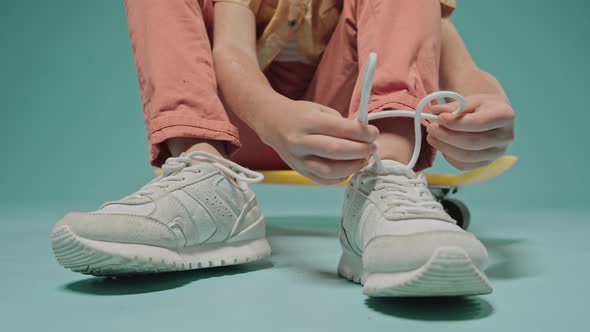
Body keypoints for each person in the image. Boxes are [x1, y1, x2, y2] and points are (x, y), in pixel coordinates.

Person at [51, 0, 514, 297]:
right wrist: (275, 119)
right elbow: (230, 55)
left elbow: (463, 69)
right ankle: (204, 176)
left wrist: (489, 106)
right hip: (239, 132)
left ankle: (388, 181)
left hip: (357, 139)